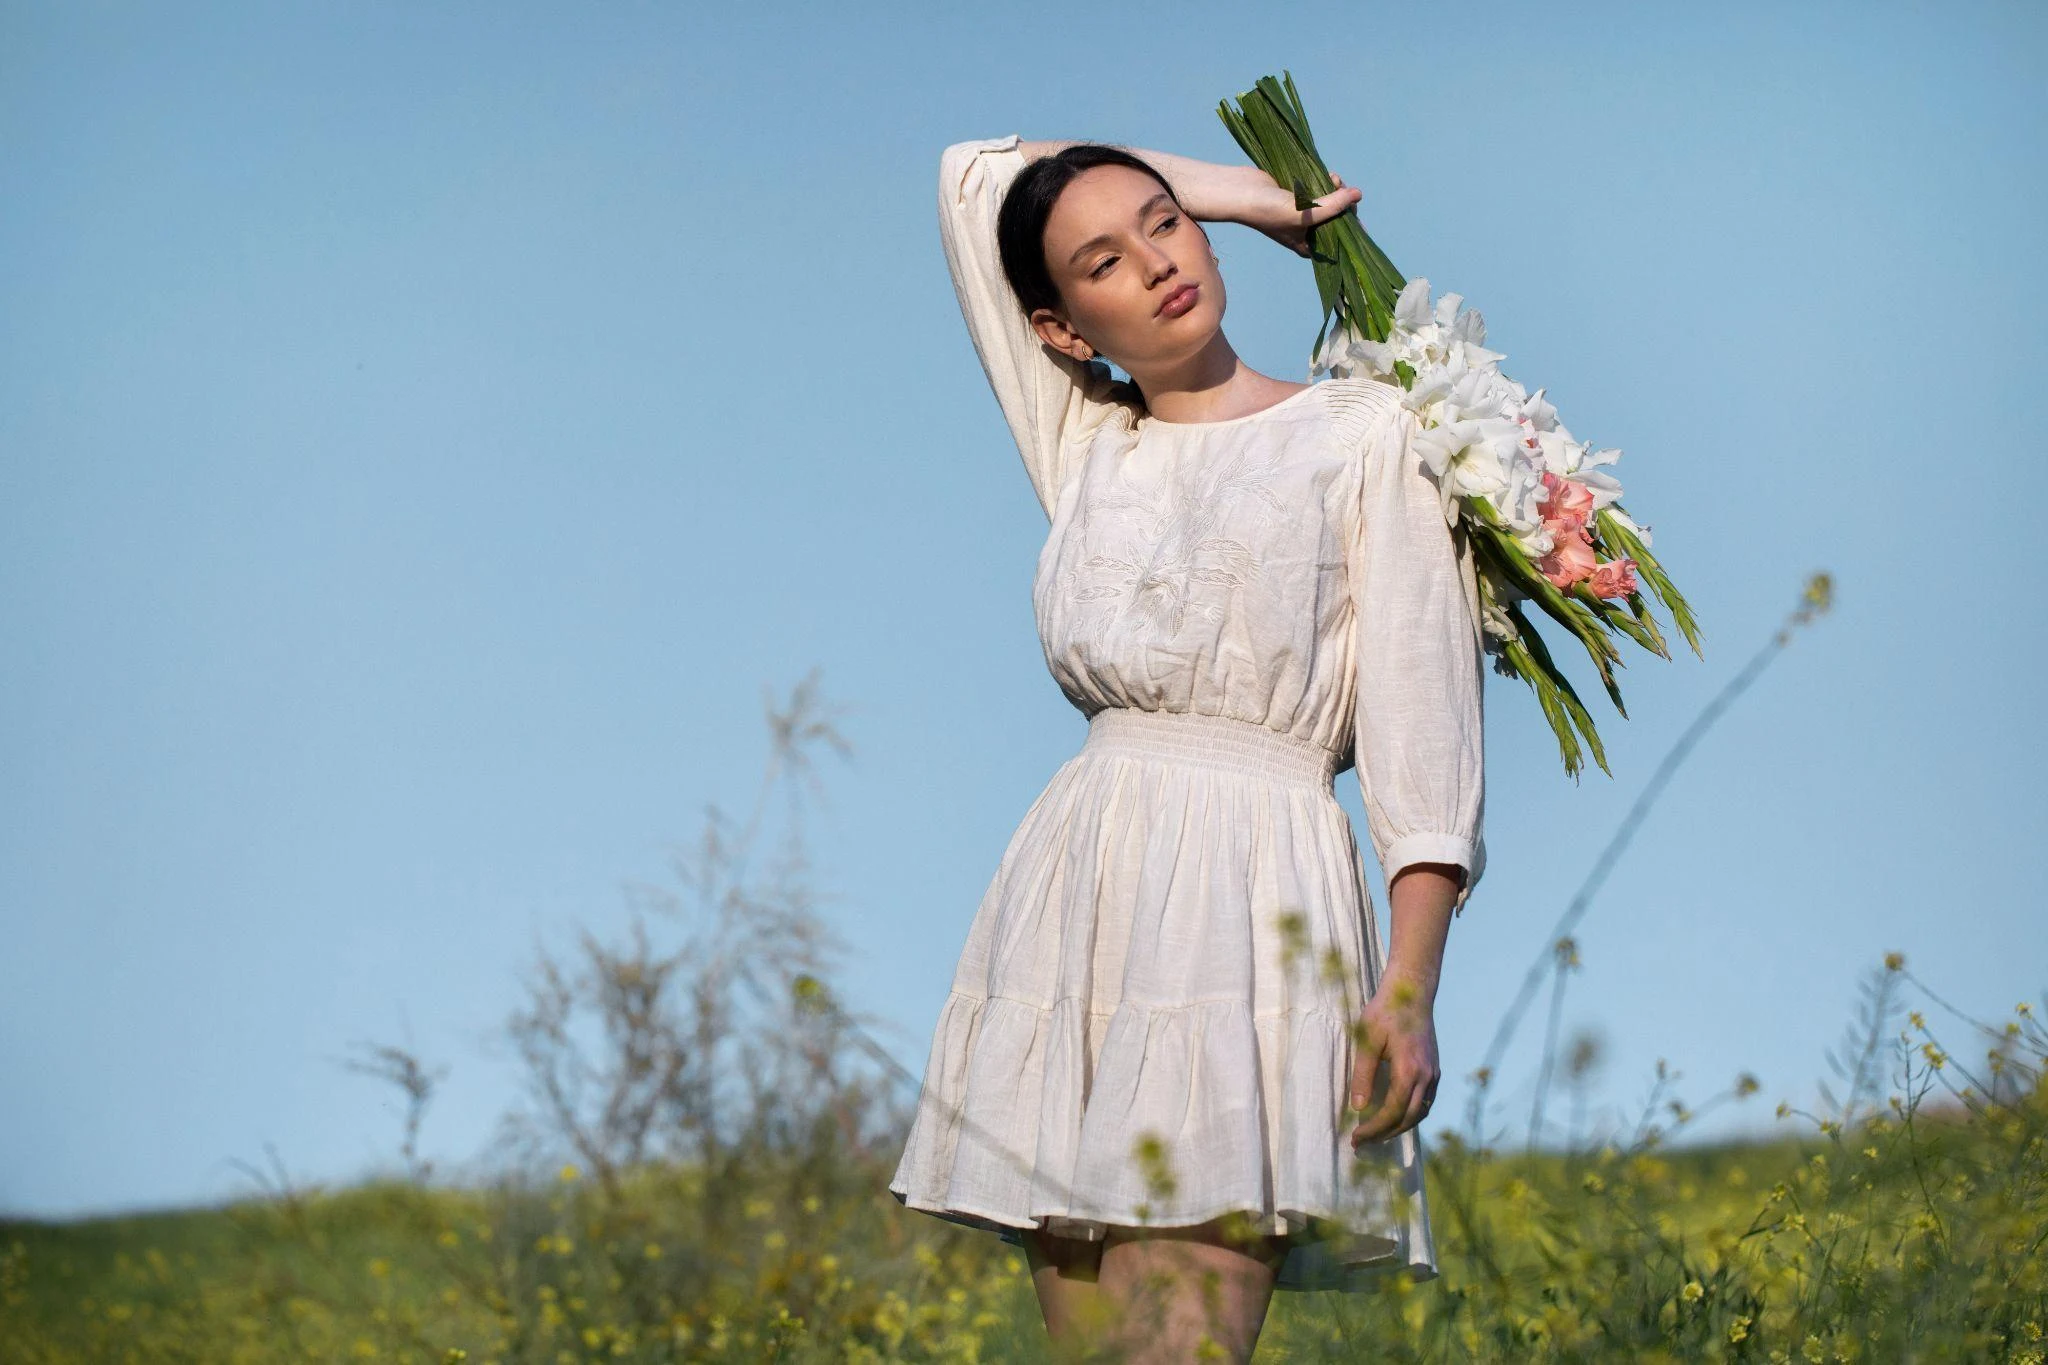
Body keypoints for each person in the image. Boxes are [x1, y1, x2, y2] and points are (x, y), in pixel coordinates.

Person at [888, 132, 1488, 1362]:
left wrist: (1409, 994)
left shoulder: (1363, 434)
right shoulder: (1085, 442)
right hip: (1080, 907)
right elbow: (972, 174)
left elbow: (1424, 750)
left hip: (1257, 897)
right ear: (1062, 329)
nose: (1158, 262)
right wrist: (1260, 198)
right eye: (1103, 261)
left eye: (1166, 223)